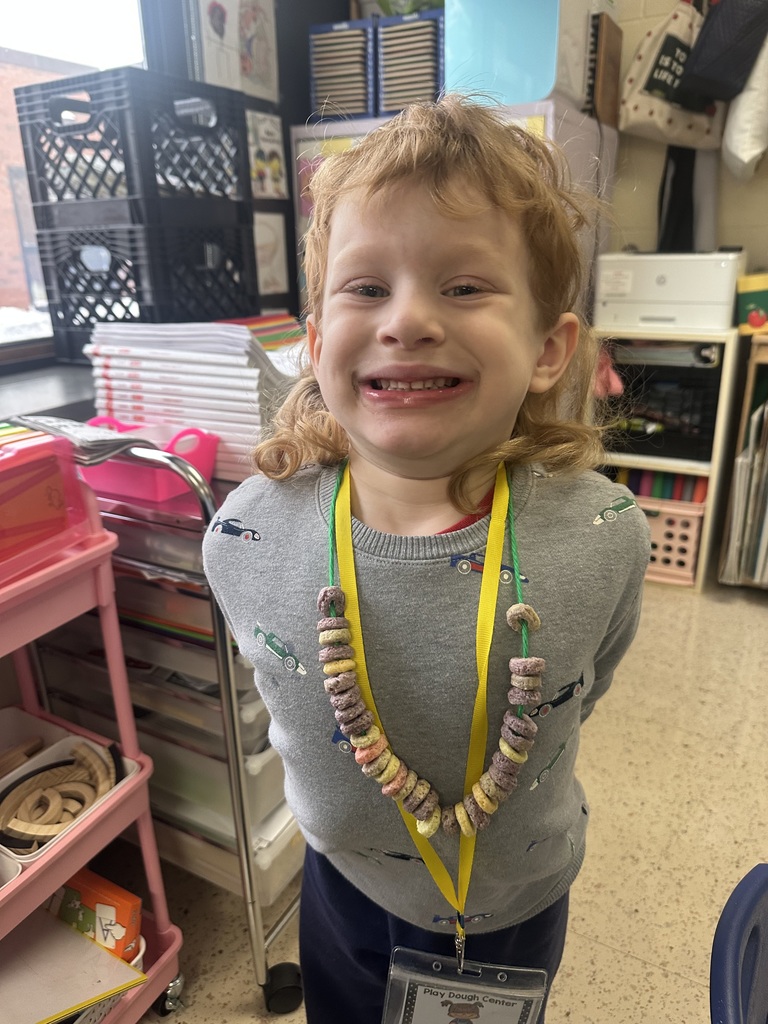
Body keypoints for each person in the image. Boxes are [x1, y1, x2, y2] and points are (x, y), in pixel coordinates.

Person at [203, 94, 650, 1022]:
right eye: (367, 287)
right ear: (317, 344)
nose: (407, 320)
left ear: (547, 347)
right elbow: (278, 686)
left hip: (521, 892)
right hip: (343, 885)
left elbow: (584, 681)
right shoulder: (245, 537)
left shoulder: (604, 532)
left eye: (463, 286)